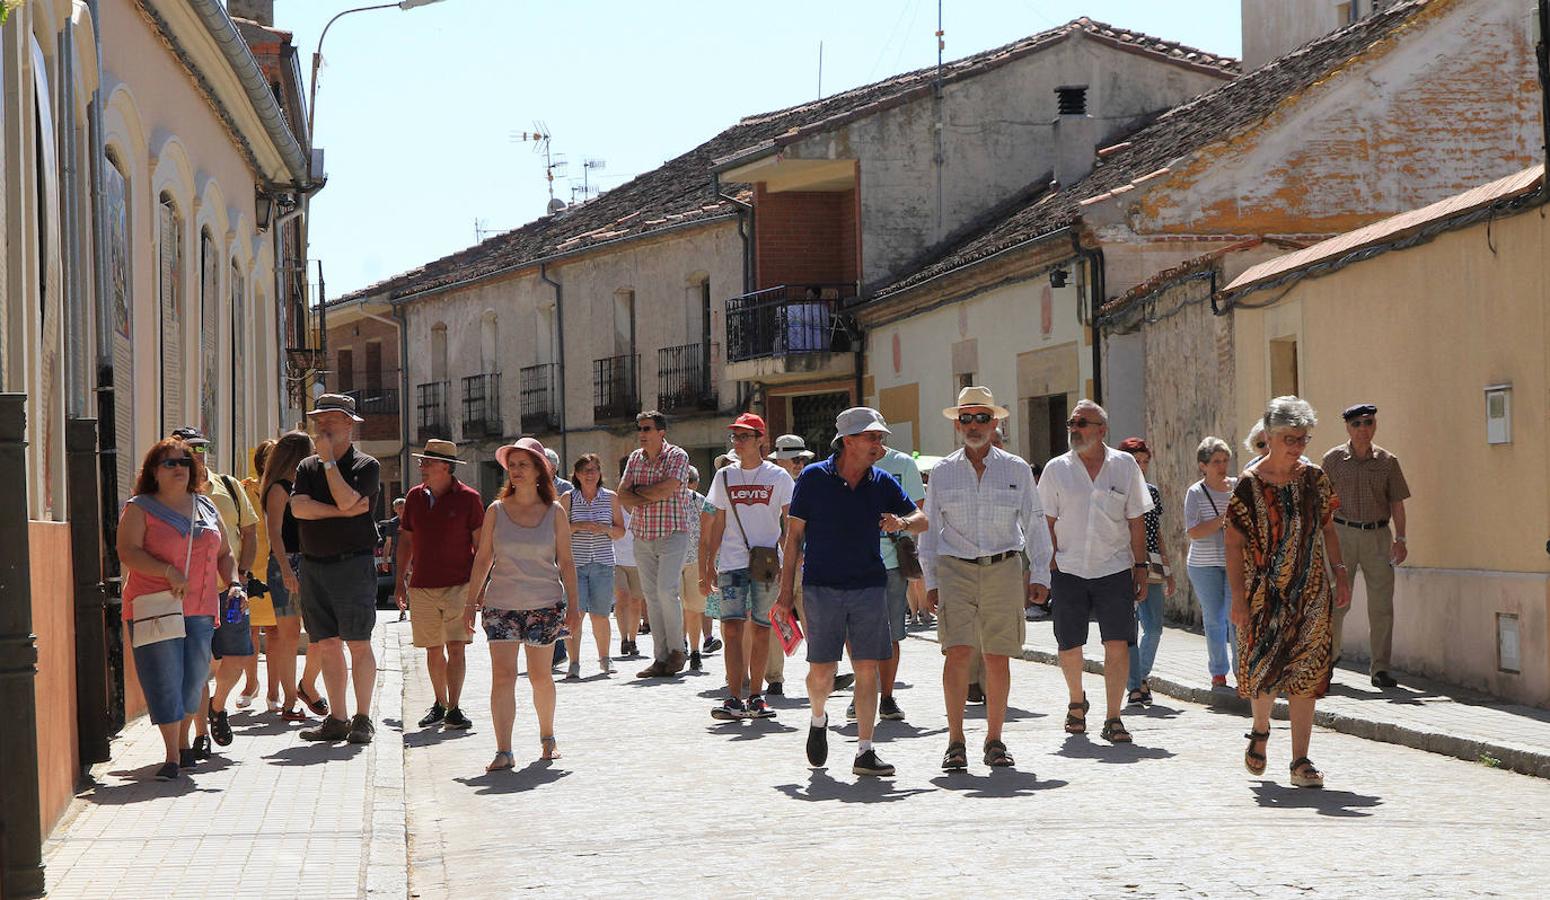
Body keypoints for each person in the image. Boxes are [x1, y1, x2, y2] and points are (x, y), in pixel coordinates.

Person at [777, 408, 926, 777]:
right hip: (821, 587)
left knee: (866, 668)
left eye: (880, 438)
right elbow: (793, 539)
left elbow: (921, 519)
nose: (880, 444)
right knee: (822, 672)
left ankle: (865, 750)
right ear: (848, 441)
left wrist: (901, 521)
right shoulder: (813, 477)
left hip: (869, 585)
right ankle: (818, 717)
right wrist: (784, 595)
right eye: (872, 437)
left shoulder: (882, 481)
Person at [921, 388, 1052, 770]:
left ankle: (995, 739)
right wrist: (931, 579)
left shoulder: (1016, 468)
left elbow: (1035, 521)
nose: (974, 425)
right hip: (955, 568)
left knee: (997, 655)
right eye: (966, 418)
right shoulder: (943, 472)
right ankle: (955, 741)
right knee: (957, 652)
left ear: (995, 423)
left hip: (1003, 567)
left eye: (981, 418)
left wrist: (1040, 572)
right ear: (957, 425)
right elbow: (929, 528)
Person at [1228, 397, 1351, 788]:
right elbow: (1233, 542)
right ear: (1268, 436)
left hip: (1311, 589)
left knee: (1307, 673)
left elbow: (1328, 527)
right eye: (1289, 439)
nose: (1297, 446)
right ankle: (1261, 729)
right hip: (1262, 592)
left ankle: (1301, 760)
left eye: (1303, 438)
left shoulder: (1315, 479)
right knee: (1264, 669)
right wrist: (1237, 598)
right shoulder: (1248, 484)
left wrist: (1340, 573)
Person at [116, 437, 244, 780]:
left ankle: (184, 741)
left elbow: (225, 553)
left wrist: (234, 582)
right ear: (154, 472)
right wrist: (167, 571)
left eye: (184, 462)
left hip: (201, 607)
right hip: (155, 607)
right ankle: (173, 754)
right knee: (164, 678)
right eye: (170, 463)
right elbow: (128, 551)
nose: (179, 468)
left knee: (193, 681)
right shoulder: (140, 507)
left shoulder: (205, 506)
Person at [1038, 400, 1151, 744]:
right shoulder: (1056, 469)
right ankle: (1076, 701)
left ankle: (1113, 717)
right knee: (1069, 644)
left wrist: (1141, 567)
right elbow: (1045, 522)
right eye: (1072, 423)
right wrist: (1048, 564)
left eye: (1082, 423)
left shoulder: (1124, 466)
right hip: (1068, 568)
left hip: (1114, 568)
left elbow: (1136, 520)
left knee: (1117, 643)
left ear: (1102, 430)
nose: (1075, 429)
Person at [466, 438, 581, 770]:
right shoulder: (496, 510)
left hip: (544, 605)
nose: (515, 471)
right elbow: (483, 558)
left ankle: (548, 738)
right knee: (502, 677)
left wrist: (574, 607)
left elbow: (567, 562)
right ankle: (504, 750)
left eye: (523, 465)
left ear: (539, 471)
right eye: (512, 465)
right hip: (500, 606)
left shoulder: (555, 511)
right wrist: (470, 602)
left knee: (540, 677)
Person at [291, 394, 382, 745]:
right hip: (313, 565)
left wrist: (329, 462)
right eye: (319, 419)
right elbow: (299, 508)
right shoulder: (306, 467)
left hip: (352, 564)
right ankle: (338, 719)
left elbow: (347, 498)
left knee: (358, 642)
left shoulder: (366, 465)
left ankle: (363, 718)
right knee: (327, 644)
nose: (323, 425)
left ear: (349, 424)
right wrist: (341, 511)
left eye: (331, 418)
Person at [173, 427, 259, 753]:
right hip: (189, 594)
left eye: (201, 448)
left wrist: (242, 576)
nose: (198, 455)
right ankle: (200, 736)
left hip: (228, 590)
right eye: (189, 449)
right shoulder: (167, 495)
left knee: (237, 657)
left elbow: (248, 532)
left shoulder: (229, 486)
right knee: (198, 666)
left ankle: (217, 706)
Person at [702, 413, 794, 720]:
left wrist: (791, 563)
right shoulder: (724, 476)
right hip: (731, 563)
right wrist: (709, 563)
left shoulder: (779, 477)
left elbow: (791, 522)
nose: (738, 442)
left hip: (766, 565)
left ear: (760, 440)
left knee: (761, 629)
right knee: (731, 628)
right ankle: (733, 697)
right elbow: (718, 522)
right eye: (735, 436)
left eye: (744, 436)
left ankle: (756, 696)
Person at [397, 440, 485, 730]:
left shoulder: (469, 498)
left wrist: (481, 587)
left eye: (428, 462)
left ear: (446, 467)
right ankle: (440, 703)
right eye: (422, 461)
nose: (422, 467)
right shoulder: (414, 497)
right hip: (421, 585)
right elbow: (406, 540)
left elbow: (481, 546)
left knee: (456, 646)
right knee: (433, 649)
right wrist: (399, 581)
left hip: (460, 584)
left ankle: (454, 708)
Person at [1322, 403, 1411, 688]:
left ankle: (1380, 668)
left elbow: (1397, 502)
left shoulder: (1387, 461)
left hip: (1377, 536)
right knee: (1336, 600)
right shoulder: (1332, 460)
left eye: (1369, 422)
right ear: (1347, 427)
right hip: (1342, 534)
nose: (1363, 429)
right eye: (1357, 424)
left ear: (1375, 425)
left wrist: (1401, 539)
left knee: (1382, 605)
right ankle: (1328, 659)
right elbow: (1321, 501)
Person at [618, 410, 695, 677]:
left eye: (647, 429)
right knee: (651, 596)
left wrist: (638, 492)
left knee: (666, 591)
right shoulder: (635, 458)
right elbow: (622, 495)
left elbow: (667, 488)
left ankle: (677, 651)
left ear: (661, 432)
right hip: (642, 534)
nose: (641, 434)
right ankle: (660, 658)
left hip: (673, 532)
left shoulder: (677, 456)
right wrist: (650, 494)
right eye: (639, 429)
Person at [260, 431, 326, 721]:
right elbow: (274, 532)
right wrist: (286, 570)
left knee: (322, 632)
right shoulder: (279, 488)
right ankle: (289, 701)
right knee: (288, 636)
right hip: (285, 563)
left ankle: (306, 685)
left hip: (311, 561)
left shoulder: (306, 484)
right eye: (310, 449)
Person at [865, 428, 927, 723]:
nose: (874, 442)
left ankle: (887, 696)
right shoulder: (841, 467)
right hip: (854, 563)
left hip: (891, 562)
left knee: (891, 633)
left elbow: (919, 513)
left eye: (877, 436)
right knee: (857, 633)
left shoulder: (903, 464)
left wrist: (899, 522)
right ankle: (863, 692)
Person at [1116, 438, 1176, 707]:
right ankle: (1135, 687)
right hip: (1120, 564)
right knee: (1128, 628)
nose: (1140, 467)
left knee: (1154, 628)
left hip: (1150, 563)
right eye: (1135, 461)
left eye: (1144, 462)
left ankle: (1141, 676)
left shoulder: (1152, 492)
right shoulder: (1114, 491)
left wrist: (1168, 570)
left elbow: (1157, 533)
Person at [561, 453, 626, 676]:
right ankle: (574, 663)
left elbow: (620, 531)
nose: (590, 474)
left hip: (603, 563)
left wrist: (604, 529)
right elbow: (557, 531)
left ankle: (605, 659)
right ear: (577, 475)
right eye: (585, 470)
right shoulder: (568, 499)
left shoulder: (611, 498)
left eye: (594, 470)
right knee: (575, 614)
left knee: (601, 614)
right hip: (575, 565)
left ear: (600, 473)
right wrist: (578, 526)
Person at [1184, 437, 1238, 690]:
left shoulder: (1237, 487)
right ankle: (1218, 672)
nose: (1222, 466)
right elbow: (1193, 531)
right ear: (1203, 465)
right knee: (1214, 618)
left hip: (1234, 561)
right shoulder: (1195, 493)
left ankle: (1242, 671)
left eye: (1225, 460)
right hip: (1204, 565)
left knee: (1236, 616)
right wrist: (1223, 519)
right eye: (1216, 461)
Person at [239, 440, 280, 712]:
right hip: (253, 567)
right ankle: (250, 683)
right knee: (250, 629)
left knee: (277, 630)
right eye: (269, 457)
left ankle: (274, 690)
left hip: (278, 566)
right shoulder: (246, 489)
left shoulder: (286, 489)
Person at [679, 466, 720, 672]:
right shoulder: (662, 501)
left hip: (695, 560)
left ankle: (694, 651)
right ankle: (680, 646)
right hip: (671, 560)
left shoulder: (698, 500)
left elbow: (709, 530)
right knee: (677, 608)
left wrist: (711, 561)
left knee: (693, 609)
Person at [612, 455, 643, 658]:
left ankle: (633, 639)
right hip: (617, 559)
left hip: (639, 559)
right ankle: (624, 639)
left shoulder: (644, 503)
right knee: (622, 597)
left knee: (636, 601)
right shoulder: (614, 502)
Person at [383, 497, 406, 622]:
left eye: (403, 507)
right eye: (399, 508)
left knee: (413, 585)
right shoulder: (392, 524)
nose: (401, 510)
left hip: (413, 557)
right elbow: (388, 543)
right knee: (399, 584)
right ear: (395, 509)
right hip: (397, 557)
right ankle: (402, 611)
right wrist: (385, 560)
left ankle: (414, 609)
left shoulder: (412, 520)